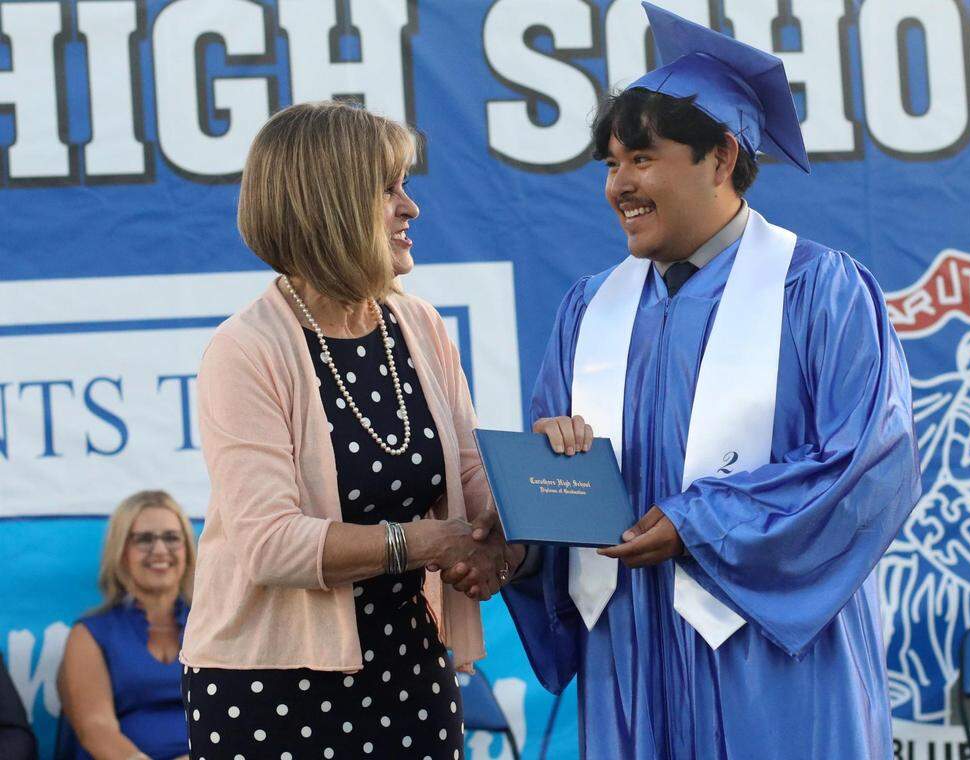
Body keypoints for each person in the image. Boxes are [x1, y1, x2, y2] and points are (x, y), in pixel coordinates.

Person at [501, 4, 922, 758]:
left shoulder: (819, 292)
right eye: (610, 164)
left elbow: (866, 465)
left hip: (772, 658)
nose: (618, 186)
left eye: (641, 159)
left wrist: (702, 523)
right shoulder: (588, 309)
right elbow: (557, 511)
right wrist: (539, 505)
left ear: (721, 157)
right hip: (629, 654)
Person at [179, 100, 512, 759]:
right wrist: (425, 543)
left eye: (405, 187)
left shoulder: (419, 327)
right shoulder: (246, 350)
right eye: (387, 190)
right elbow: (272, 546)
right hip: (268, 685)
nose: (410, 208)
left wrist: (521, 515)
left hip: (410, 670)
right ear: (329, 204)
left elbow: (471, 479)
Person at [57, 490, 196, 760]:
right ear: (121, 552)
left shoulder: (212, 626)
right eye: (144, 539)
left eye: (171, 538)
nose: (159, 550)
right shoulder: (90, 634)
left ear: (188, 550)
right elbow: (96, 728)